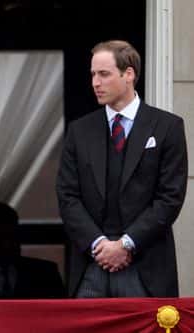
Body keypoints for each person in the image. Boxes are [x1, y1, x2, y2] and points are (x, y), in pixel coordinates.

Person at [56, 40, 188, 298]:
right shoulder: (79, 130)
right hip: (91, 266)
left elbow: (170, 197)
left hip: (145, 265)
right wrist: (100, 244)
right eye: (93, 74)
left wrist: (126, 244)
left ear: (129, 74)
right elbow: (67, 196)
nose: (95, 82)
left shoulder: (167, 127)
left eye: (104, 74)